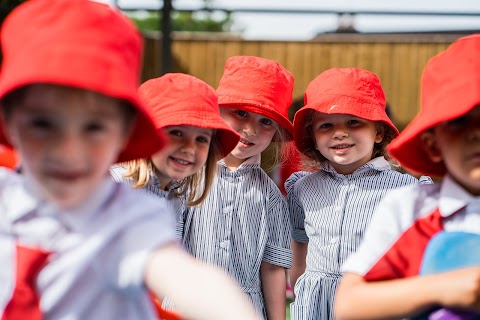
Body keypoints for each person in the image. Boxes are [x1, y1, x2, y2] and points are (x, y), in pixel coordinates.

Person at [0, 1, 262, 319]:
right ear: (9, 122)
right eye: (43, 124)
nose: (68, 151)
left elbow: (180, 273)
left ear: (125, 132)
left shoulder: (126, 213)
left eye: (94, 128)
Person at [334, 34, 480, 320]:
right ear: (432, 144)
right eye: (459, 121)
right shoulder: (411, 208)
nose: (476, 133)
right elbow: (349, 304)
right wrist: (443, 288)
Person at [286, 67, 419, 320]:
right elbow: (299, 246)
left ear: (378, 132)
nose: (339, 132)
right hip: (313, 304)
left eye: (353, 122)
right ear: (313, 137)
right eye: (326, 125)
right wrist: (302, 286)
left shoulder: (403, 191)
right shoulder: (302, 188)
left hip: (371, 303)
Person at [180, 56, 295, 320]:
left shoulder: (271, 197)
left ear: (276, 132)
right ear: (217, 111)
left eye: (266, 121)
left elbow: (273, 267)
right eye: (241, 113)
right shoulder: (187, 177)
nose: (250, 129)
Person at [111, 73, 239, 238]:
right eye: (177, 132)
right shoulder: (114, 186)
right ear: (144, 133)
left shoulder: (175, 197)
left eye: (201, 139)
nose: (189, 148)